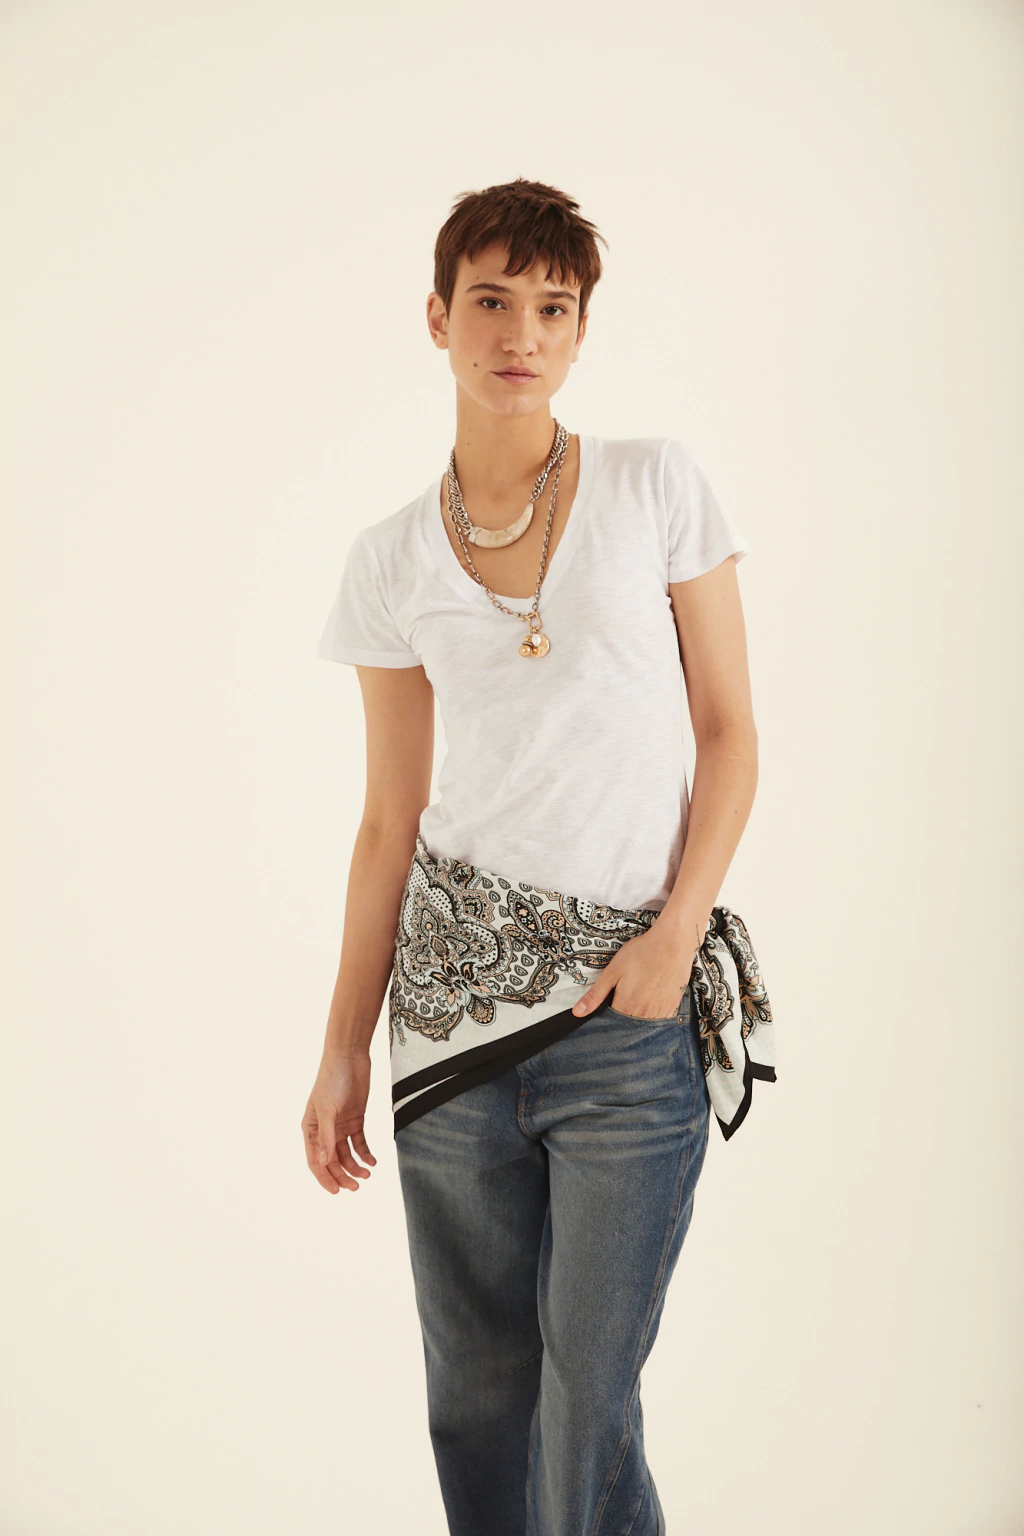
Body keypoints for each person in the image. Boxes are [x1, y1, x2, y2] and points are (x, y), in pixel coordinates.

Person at [302, 177, 761, 1535]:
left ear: (580, 331)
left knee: (588, 1399)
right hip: (450, 1029)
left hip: (628, 1015)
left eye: (553, 309)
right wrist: (341, 1048)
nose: (521, 333)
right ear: (438, 317)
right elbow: (388, 821)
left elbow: (731, 735)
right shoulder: (390, 559)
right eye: (492, 302)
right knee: (479, 1397)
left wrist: (678, 936)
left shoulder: (654, 485)